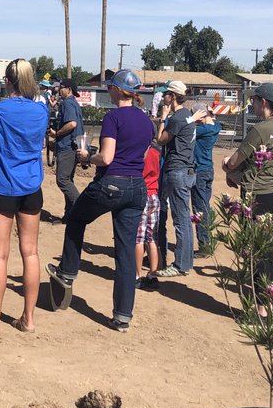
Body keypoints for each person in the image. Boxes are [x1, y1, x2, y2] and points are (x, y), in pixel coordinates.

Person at [47, 69, 152, 333]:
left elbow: (106, 157)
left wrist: (86, 157)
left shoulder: (113, 117)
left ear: (117, 90)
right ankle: (122, 316)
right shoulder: (146, 120)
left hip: (111, 183)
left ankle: (67, 272)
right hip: (137, 187)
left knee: (76, 218)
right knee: (126, 252)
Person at [0, 58, 48, 338]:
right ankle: (28, 318)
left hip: (3, 188)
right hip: (31, 188)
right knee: (31, 252)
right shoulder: (41, 110)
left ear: (9, 80)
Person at [222, 83, 273, 281]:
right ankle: (269, 294)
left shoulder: (261, 129)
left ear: (263, 102)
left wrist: (226, 167)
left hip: (258, 193)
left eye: (253, 100)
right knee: (267, 246)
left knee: (257, 248)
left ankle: (263, 303)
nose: (251, 103)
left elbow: (235, 160)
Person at [154, 81, 207, 278]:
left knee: (180, 219)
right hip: (185, 170)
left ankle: (180, 264)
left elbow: (160, 140)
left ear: (173, 96)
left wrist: (163, 118)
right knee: (182, 217)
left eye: (166, 94)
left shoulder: (177, 118)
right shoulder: (186, 116)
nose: (163, 98)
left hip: (177, 170)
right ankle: (184, 261)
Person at [47, 77, 85, 223]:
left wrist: (56, 134)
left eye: (61, 87)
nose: (59, 89)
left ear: (69, 89)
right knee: (68, 179)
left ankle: (80, 207)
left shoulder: (68, 103)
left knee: (62, 180)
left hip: (68, 147)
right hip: (72, 146)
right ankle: (69, 217)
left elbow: (72, 124)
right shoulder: (73, 103)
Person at [191, 101, 222, 253]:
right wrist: (211, 113)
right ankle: (207, 240)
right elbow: (216, 122)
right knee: (205, 205)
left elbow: (186, 129)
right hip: (209, 169)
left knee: (200, 208)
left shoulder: (202, 130)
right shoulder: (215, 127)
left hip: (200, 171)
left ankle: (204, 245)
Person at [135, 141, 162, 289]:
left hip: (141, 194)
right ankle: (153, 274)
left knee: (138, 239)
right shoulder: (156, 151)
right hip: (154, 196)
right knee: (152, 238)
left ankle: (137, 275)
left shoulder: (140, 151)